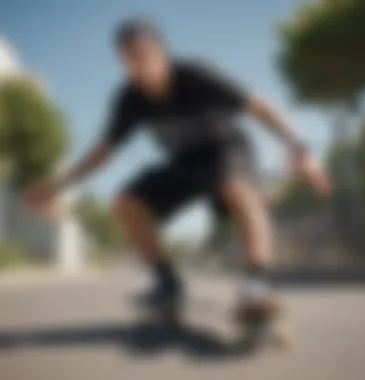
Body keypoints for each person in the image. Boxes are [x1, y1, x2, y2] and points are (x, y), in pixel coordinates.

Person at [25, 19, 329, 319]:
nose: (137, 67)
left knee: (235, 184)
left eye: (142, 56)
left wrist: (299, 148)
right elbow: (103, 151)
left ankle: (257, 281)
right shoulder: (130, 98)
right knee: (126, 202)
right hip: (184, 163)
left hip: (227, 151)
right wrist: (58, 185)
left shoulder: (195, 76)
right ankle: (168, 283)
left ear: (162, 52)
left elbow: (258, 107)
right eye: (127, 61)